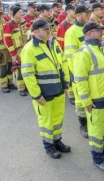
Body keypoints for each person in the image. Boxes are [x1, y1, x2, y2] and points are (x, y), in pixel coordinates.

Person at [21, 19, 71, 159]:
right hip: (44, 93)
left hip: (58, 89)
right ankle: (49, 146)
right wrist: (36, 95)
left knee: (57, 118)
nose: (49, 31)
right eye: (45, 29)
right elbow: (28, 74)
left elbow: (63, 62)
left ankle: (57, 141)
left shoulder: (53, 43)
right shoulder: (29, 49)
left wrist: (66, 83)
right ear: (35, 32)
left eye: (49, 28)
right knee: (46, 121)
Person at [73, 21, 104, 171]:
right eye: (98, 30)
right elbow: (80, 79)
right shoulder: (83, 52)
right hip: (96, 99)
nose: (102, 32)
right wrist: (86, 100)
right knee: (96, 131)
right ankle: (98, 159)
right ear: (90, 33)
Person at [64, 5, 91, 136]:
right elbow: (70, 57)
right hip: (79, 74)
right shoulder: (71, 32)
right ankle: (83, 125)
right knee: (81, 101)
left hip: (92, 72)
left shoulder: (90, 28)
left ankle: (92, 122)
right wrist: (78, 75)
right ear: (78, 15)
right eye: (87, 13)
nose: (89, 15)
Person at [0, 0, 16, 93]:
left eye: (1, 6)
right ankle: (3, 84)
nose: (1, 8)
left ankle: (10, 82)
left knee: (10, 64)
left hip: (9, 45)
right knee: (2, 66)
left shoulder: (6, 17)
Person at [3, 6, 28, 96]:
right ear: (14, 14)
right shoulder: (9, 24)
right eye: (19, 12)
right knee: (19, 70)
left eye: (22, 12)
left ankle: (26, 86)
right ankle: (21, 88)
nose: (21, 13)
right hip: (17, 51)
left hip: (25, 50)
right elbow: (7, 40)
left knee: (27, 69)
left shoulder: (23, 22)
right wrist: (13, 53)